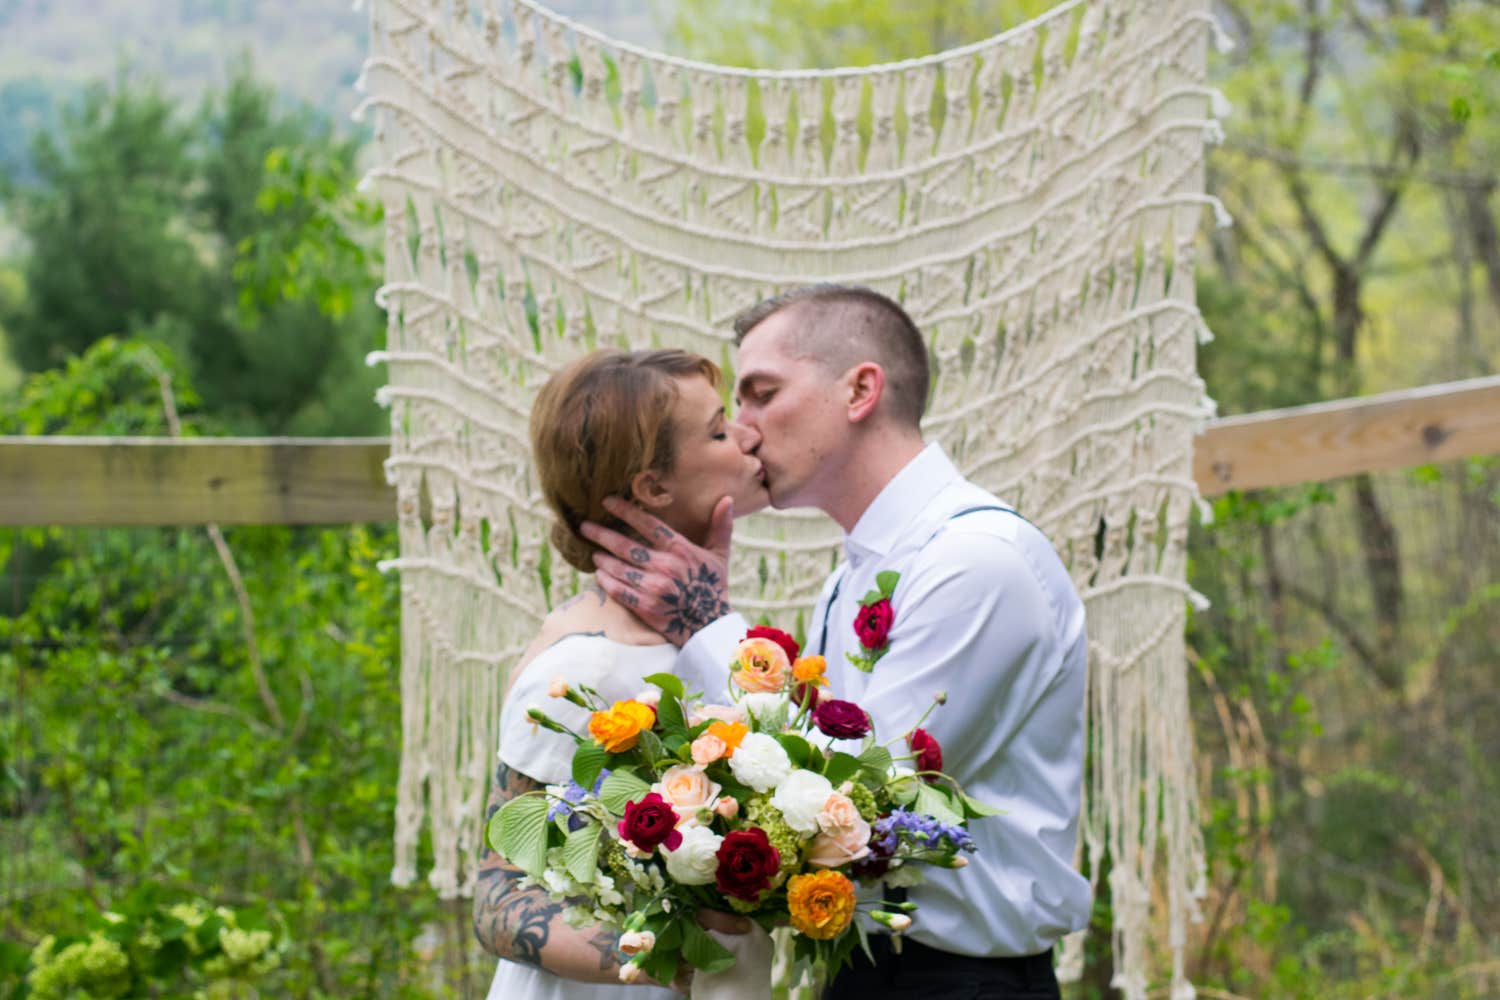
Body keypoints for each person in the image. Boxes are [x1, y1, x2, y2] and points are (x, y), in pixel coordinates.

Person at [582, 285, 1092, 999]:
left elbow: (858, 798)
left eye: (762, 393)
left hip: (962, 982)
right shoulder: (853, 575)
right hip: (862, 970)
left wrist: (708, 623)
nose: (746, 430)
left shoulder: (978, 561)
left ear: (860, 390)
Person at [473, 348, 772, 999]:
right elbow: (499, 894)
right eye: (720, 430)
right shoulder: (585, 667)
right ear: (652, 488)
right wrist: (673, 956)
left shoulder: (720, 632)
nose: (749, 436)